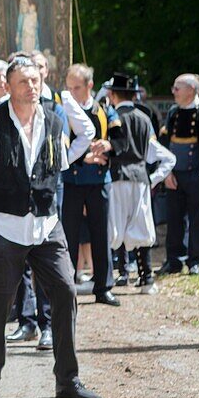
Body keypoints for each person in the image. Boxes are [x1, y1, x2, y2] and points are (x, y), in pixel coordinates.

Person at [0, 55, 100, 398]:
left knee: (66, 290)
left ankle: (67, 379)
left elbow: (59, 165)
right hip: (3, 227)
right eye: (24, 81)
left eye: (36, 80)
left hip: (46, 225)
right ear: (7, 86)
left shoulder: (54, 123)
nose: (32, 86)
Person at [104, 73, 176, 293]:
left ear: (113, 94)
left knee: (111, 229)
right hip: (140, 180)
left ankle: (108, 278)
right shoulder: (144, 119)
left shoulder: (112, 117)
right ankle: (146, 278)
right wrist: (152, 179)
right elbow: (166, 156)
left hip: (116, 178)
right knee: (141, 227)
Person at [61, 64, 120, 305]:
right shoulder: (63, 110)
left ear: (89, 86)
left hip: (99, 180)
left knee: (100, 232)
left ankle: (103, 287)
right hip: (72, 179)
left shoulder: (104, 110)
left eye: (77, 87)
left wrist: (108, 146)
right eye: (69, 88)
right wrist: (83, 155)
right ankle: (67, 286)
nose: (72, 92)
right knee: (69, 235)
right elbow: (61, 140)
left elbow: (120, 138)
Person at [157, 73, 199, 275]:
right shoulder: (173, 112)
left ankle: (195, 260)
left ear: (191, 90)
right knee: (174, 219)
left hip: (196, 174)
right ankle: (174, 259)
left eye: (178, 88)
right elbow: (166, 144)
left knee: (197, 218)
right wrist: (166, 172)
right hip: (174, 174)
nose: (174, 92)